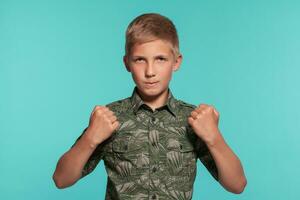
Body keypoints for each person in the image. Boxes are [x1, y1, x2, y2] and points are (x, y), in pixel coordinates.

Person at [52, 13, 247, 199]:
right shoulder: (109, 117)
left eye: (160, 59)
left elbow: (237, 185)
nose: (150, 71)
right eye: (140, 60)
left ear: (176, 62)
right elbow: (61, 180)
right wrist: (90, 139)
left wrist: (214, 138)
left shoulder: (193, 119)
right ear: (127, 63)